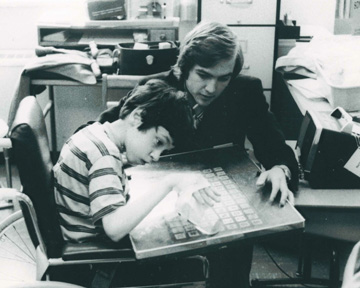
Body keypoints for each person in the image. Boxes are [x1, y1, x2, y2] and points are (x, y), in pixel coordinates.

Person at [79, 21, 299, 287]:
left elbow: (278, 150)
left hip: (221, 208)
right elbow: (100, 130)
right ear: (183, 67)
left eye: (223, 78)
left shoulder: (246, 91)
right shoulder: (157, 88)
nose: (211, 88)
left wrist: (280, 169)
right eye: (203, 75)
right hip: (164, 206)